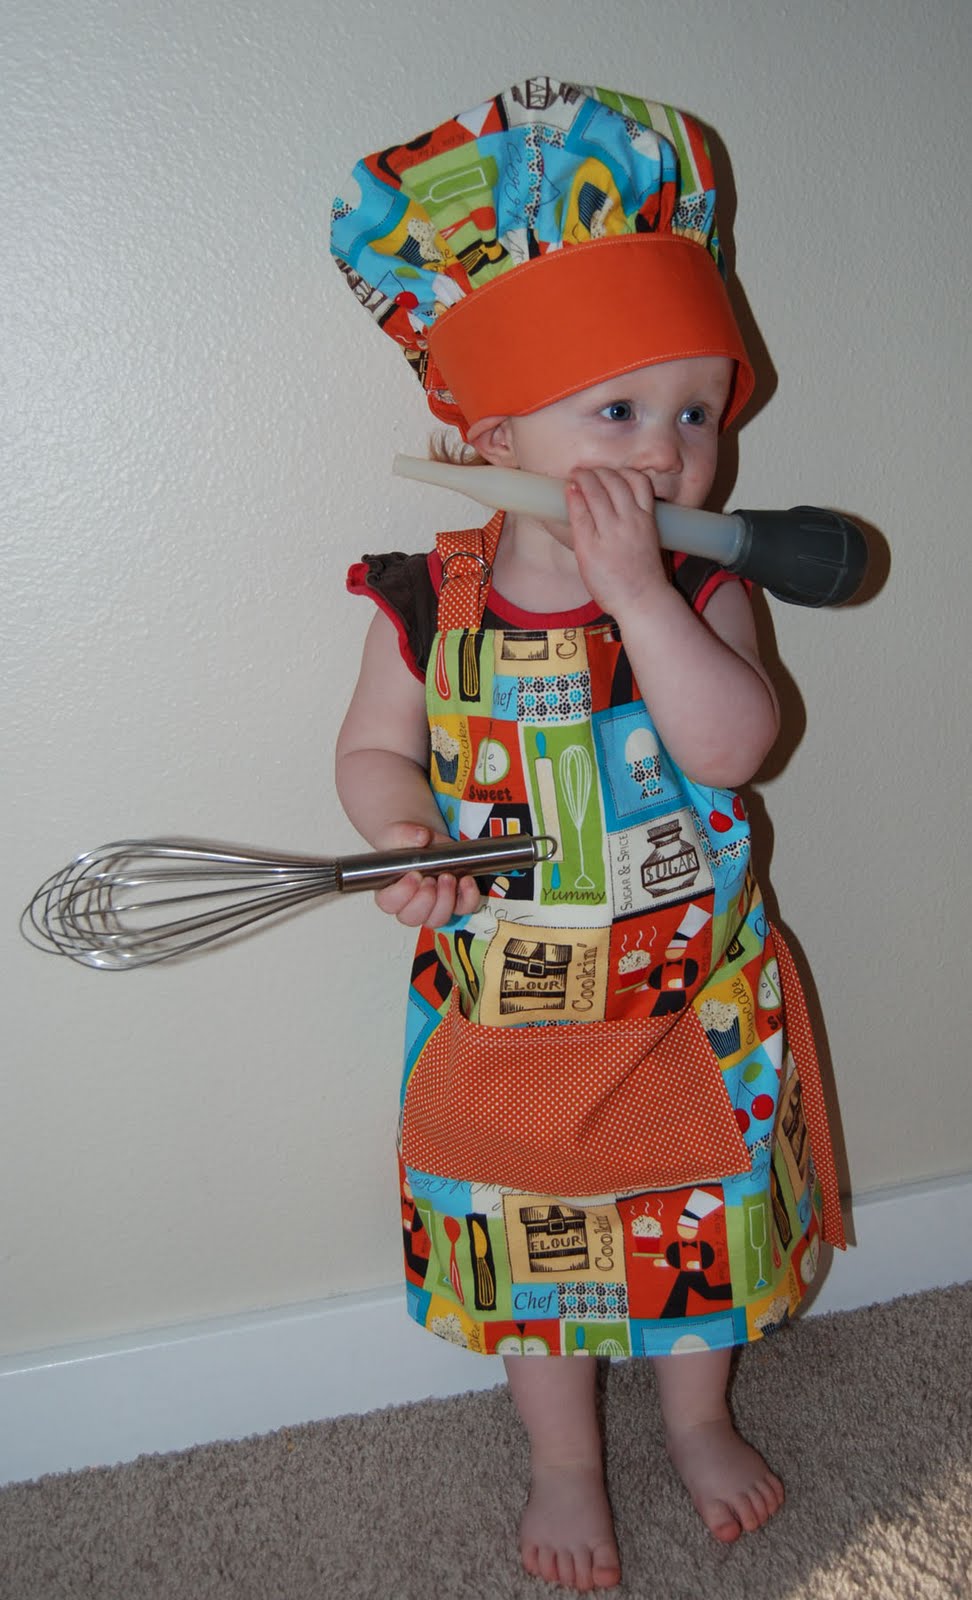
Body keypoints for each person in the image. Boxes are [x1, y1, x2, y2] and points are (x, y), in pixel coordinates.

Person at [330, 76, 845, 1592]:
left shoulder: (701, 591)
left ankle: (698, 1418)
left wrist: (636, 596)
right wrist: (401, 831)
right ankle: (563, 1460)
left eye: (697, 413)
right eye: (618, 412)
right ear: (493, 435)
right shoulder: (425, 598)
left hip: (685, 1007)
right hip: (507, 1020)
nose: (670, 452)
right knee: (529, 1246)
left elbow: (734, 744)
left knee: (697, 1239)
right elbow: (373, 750)